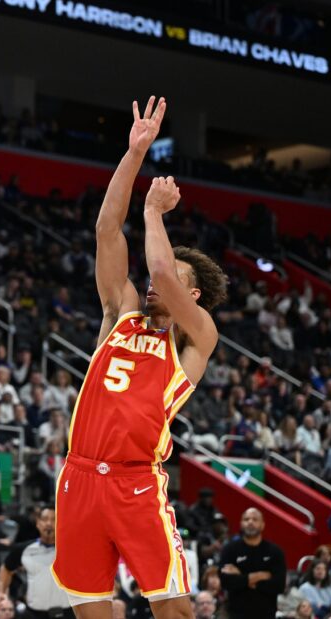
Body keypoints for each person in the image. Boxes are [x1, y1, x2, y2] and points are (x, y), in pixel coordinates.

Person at [52, 97, 229, 619]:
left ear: (191, 297)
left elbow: (160, 267)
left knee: (174, 610)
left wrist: (154, 213)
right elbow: (107, 231)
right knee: (91, 610)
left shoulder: (196, 337)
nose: (156, 281)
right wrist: (133, 155)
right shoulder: (121, 314)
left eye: (174, 279)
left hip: (136, 482)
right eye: (159, 275)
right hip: (80, 477)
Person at [0, 507, 71, 618]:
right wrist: (1, 592)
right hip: (34, 614)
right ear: (38, 523)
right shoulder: (24, 549)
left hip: (67, 613)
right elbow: (7, 568)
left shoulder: (73, 549)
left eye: (54, 519)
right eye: (45, 519)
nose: (49, 523)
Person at [217, 508, 286, 619]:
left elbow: (279, 586)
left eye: (255, 519)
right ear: (241, 524)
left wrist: (241, 576)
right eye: (246, 519)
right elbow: (226, 582)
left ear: (262, 525)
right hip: (236, 614)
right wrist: (259, 576)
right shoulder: (230, 549)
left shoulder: (275, 551)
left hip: (266, 614)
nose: (250, 522)